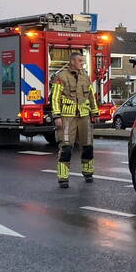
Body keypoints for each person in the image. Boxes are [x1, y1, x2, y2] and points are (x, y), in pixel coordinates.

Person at [49, 52, 99, 188]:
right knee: (66, 147)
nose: (82, 63)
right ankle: (63, 178)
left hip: (84, 116)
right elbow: (54, 98)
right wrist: (57, 116)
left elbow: (91, 96)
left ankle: (88, 173)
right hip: (67, 117)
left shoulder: (85, 76)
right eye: (79, 61)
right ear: (72, 61)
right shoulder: (61, 76)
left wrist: (94, 112)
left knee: (88, 145)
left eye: (83, 61)